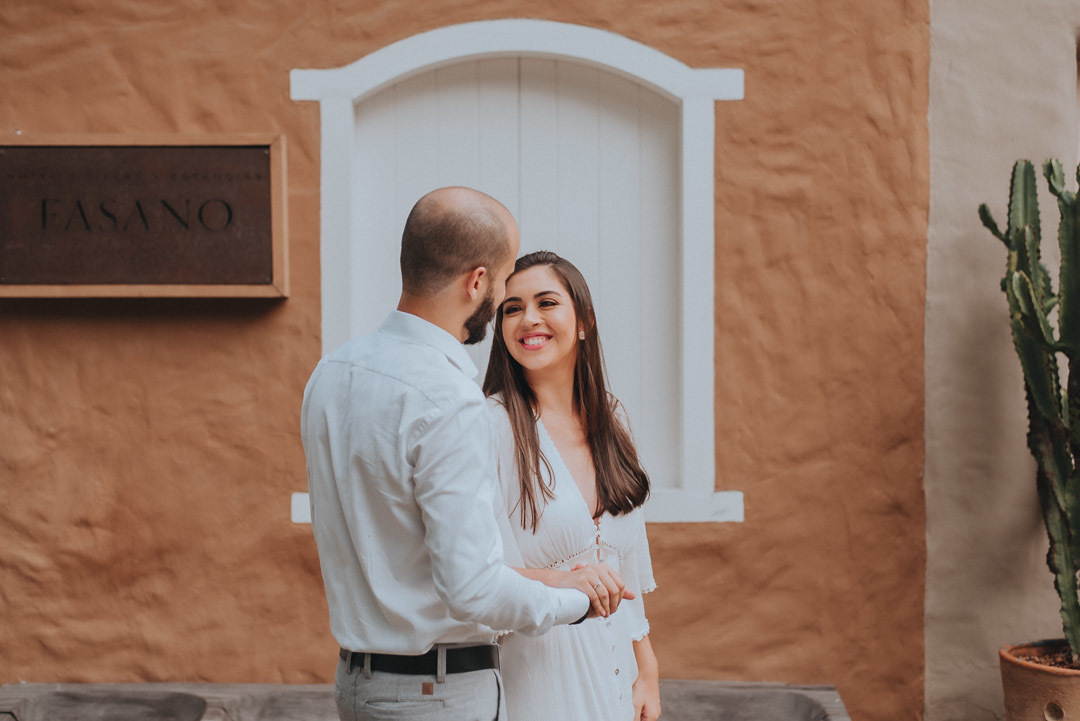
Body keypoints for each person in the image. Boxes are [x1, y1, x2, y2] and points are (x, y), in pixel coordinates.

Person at [301, 189, 629, 721]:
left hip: (357, 685)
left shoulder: (331, 374)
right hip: (439, 693)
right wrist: (577, 600)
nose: (500, 301)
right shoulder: (447, 397)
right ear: (477, 282)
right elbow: (472, 588)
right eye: (502, 286)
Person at [484, 251, 661, 721]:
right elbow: (479, 573)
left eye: (546, 302)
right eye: (512, 308)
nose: (529, 319)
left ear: (583, 321)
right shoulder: (491, 427)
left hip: (620, 679)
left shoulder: (610, 416)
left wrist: (647, 666)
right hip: (540, 683)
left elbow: (626, 566)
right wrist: (564, 580)